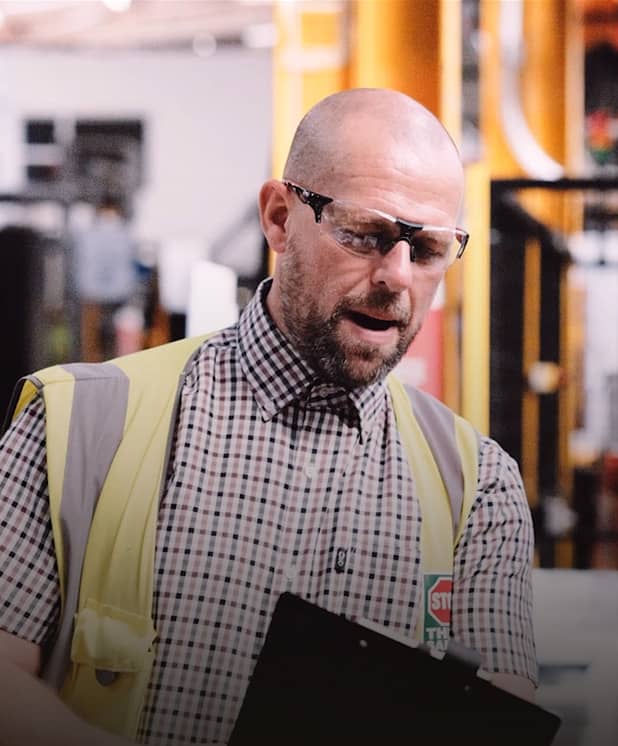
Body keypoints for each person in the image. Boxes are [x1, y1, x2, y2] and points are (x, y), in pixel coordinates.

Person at [0, 89, 536, 745]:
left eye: (426, 251)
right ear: (280, 219)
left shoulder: (478, 490)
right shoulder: (76, 427)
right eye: (364, 234)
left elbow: (496, 717)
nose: (397, 277)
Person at [73, 194, 138, 361]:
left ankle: (93, 363)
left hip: (98, 292)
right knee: (107, 336)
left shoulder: (89, 232)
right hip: (111, 292)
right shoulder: (124, 232)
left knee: (95, 336)